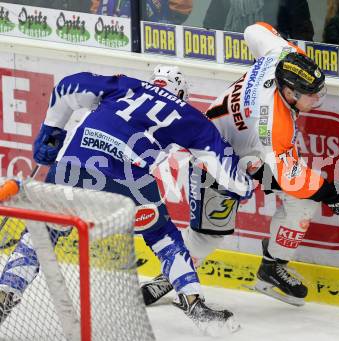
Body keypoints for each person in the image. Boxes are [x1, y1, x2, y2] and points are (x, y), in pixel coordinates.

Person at [0, 67, 255, 335]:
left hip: (72, 168)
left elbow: (67, 86)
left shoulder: (124, 85)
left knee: (42, 232)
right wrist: (245, 186)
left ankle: (6, 291)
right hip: (129, 183)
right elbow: (226, 173)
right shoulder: (188, 114)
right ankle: (194, 304)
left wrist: (52, 130)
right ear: (180, 93)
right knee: (163, 236)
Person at [141, 22, 339, 307]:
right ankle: (169, 275)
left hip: (254, 153)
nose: (318, 100)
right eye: (312, 95)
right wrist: (334, 192)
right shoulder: (272, 126)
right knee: (208, 237)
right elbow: (289, 177)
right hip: (217, 158)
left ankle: (272, 267)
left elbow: (254, 30)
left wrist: (279, 40)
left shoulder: (281, 55)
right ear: (290, 92)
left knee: (303, 203)